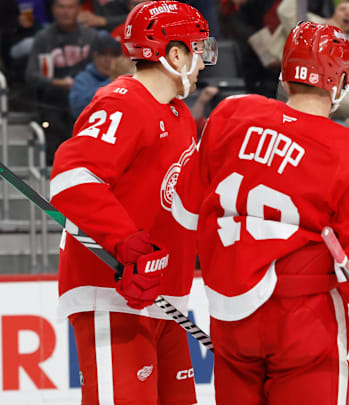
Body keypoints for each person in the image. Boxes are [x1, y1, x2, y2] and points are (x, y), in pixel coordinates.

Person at [170, 21, 349, 404]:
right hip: (304, 322)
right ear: (339, 84)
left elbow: (184, 209)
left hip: (230, 317)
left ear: (286, 76)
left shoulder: (231, 113)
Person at [48, 2, 216, 403]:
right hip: (115, 293)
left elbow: (178, 205)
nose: (203, 63)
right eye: (199, 50)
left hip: (165, 298)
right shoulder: (123, 101)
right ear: (175, 55)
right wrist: (126, 242)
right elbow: (73, 177)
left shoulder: (179, 115)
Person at [273, 0, 349, 131]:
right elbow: (285, 11)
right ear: (333, 14)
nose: (347, 13)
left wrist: (336, 35)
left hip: (343, 119)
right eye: (343, 9)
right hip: (301, 110)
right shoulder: (314, 25)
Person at [25, 0, 98, 162]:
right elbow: (31, 75)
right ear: (53, 9)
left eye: (71, 7)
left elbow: (103, 70)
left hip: (86, 104)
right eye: (61, 7)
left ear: (79, 9)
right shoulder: (44, 38)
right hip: (54, 104)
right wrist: (56, 82)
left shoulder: (91, 37)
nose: (66, 12)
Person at [68, 33, 129, 118]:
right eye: (103, 54)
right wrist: (112, 81)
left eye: (114, 55)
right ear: (95, 56)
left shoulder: (128, 80)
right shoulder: (83, 79)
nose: (108, 60)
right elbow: (78, 109)